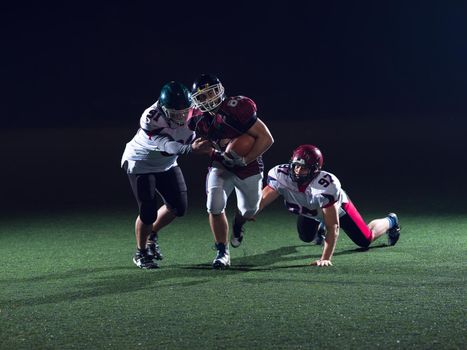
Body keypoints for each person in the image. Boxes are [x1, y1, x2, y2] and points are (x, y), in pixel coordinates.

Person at [238, 144, 401, 267]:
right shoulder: (281, 175)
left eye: (303, 168)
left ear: (315, 170)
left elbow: (333, 227)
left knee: (365, 240)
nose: (297, 171)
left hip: (337, 210)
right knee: (306, 237)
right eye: (296, 166)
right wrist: (251, 212)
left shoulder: (326, 186)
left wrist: (325, 258)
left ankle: (390, 221)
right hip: (311, 210)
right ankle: (318, 226)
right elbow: (263, 199)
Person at [121, 81, 212, 269]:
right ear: (163, 109)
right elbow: (168, 146)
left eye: (184, 111)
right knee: (148, 212)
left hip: (166, 163)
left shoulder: (196, 109)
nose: (181, 117)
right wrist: (190, 148)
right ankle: (141, 252)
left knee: (178, 207)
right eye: (175, 113)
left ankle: (151, 234)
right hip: (141, 163)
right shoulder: (151, 117)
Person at [188, 73, 274, 269]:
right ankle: (222, 251)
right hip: (221, 164)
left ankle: (238, 224)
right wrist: (196, 147)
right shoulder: (196, 118)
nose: (207, 100)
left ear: (220, 92)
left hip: (249, 166)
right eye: (201, 97)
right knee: (214, 204)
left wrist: (245, 159)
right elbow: (194, 143)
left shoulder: (237, 108)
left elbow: (267, 138)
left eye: (211, 94)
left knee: (249, 210)